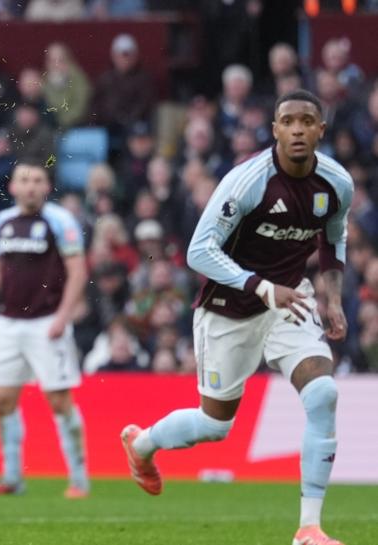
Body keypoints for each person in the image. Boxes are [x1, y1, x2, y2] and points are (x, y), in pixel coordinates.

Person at [120, 90, 352, 545]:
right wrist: (263, 288)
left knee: (324, 394)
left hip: (290, 301)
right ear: (275, 130)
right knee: (215, 425)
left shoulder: (336, 183)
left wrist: (335, 298)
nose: (298, 129)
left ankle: (309, 528)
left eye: (307, 121)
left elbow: (333, 238)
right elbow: (198, 251)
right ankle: (142, 444)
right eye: (289, 121)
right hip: (229, 308)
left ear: (321, 130)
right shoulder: (248, 181)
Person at [0, 163, 90, 499]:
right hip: (9, 322)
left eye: (37, 180)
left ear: (47, 187)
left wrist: (63, 317)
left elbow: (78, 271)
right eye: (24, 180)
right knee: (1, 400)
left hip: (46, 322)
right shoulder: (3, 221)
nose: (31, 186)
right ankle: (11, 477)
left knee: (59, 400)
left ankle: (79, 478)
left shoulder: (60, 221)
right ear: (13, 187)